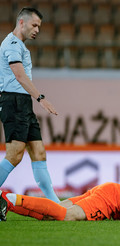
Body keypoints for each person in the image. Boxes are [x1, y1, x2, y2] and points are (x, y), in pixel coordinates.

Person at [0, 7, 59, 203]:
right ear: (22, 22)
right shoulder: (12, 44)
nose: (37, 30)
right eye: (34, 25)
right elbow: (19, 75)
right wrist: (41, 98)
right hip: (13, 101)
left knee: (38, 151)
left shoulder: (21, 46)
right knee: (15, 155)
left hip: (22, 102)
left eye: (39, 27)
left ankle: (55, 204)